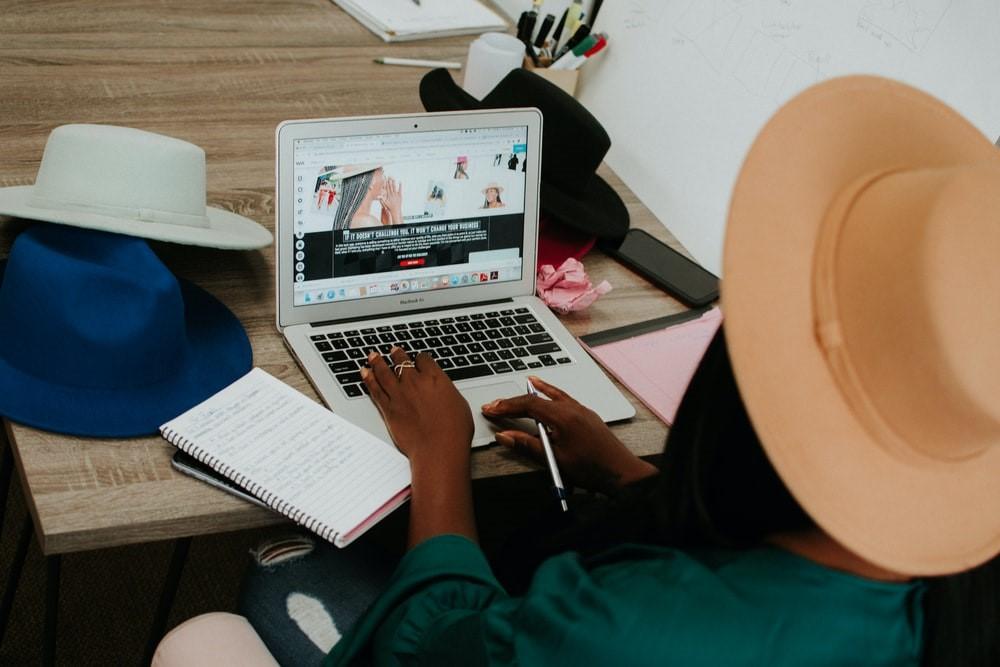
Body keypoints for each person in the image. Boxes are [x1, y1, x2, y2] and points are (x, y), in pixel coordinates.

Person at [239, 77, 1000, 666]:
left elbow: (431, 641)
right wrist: (629, 473)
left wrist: (439, 457)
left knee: (251, 598)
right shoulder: (950, 589)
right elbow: (789, 565)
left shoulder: (626, 629)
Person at [331, 167, 403, 230]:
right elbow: (404, 245)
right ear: (371, 182)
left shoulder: (351, 218)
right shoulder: (367, 222)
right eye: (382, 173)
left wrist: (386, 224)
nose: (385, 178)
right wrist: (396, 211)